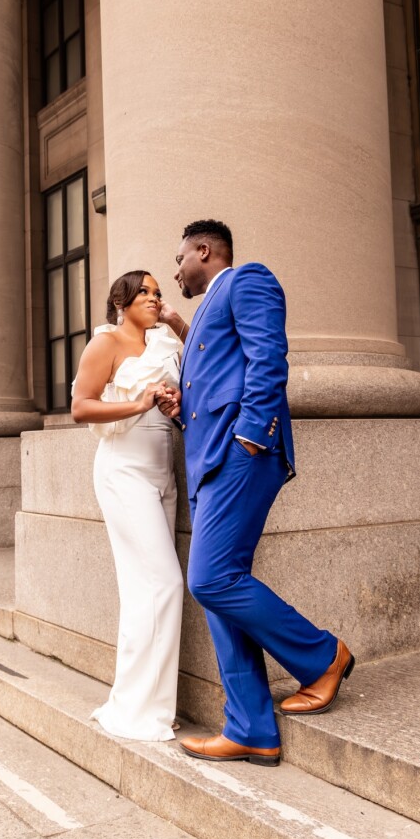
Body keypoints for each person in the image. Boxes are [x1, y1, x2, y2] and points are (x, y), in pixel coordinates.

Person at [158, 220, 354, 766]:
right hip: (209, 459)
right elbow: (216, 387)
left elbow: (269, 359)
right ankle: (250, 727)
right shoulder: (203, 313)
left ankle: (322, 655)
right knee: (220, 591)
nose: (175, 270)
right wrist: (181, 412)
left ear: (204, 251)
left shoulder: (248, 280)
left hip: (240, 454)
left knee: (210, 579)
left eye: (180, 259)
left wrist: (250, 435)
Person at [71, 270, 187, 740]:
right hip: (123, 472)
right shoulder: (106, 343)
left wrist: (170, 403)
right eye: (145, 291)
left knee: (147, 591)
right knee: (165, 583)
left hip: (164, 473)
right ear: (122, 299)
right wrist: (138, 405)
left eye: (159, 292)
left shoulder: (166, 344)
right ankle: (138, 708)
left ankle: (150, 707)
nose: (154, 298)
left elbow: (202, 353)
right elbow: (81, 406)